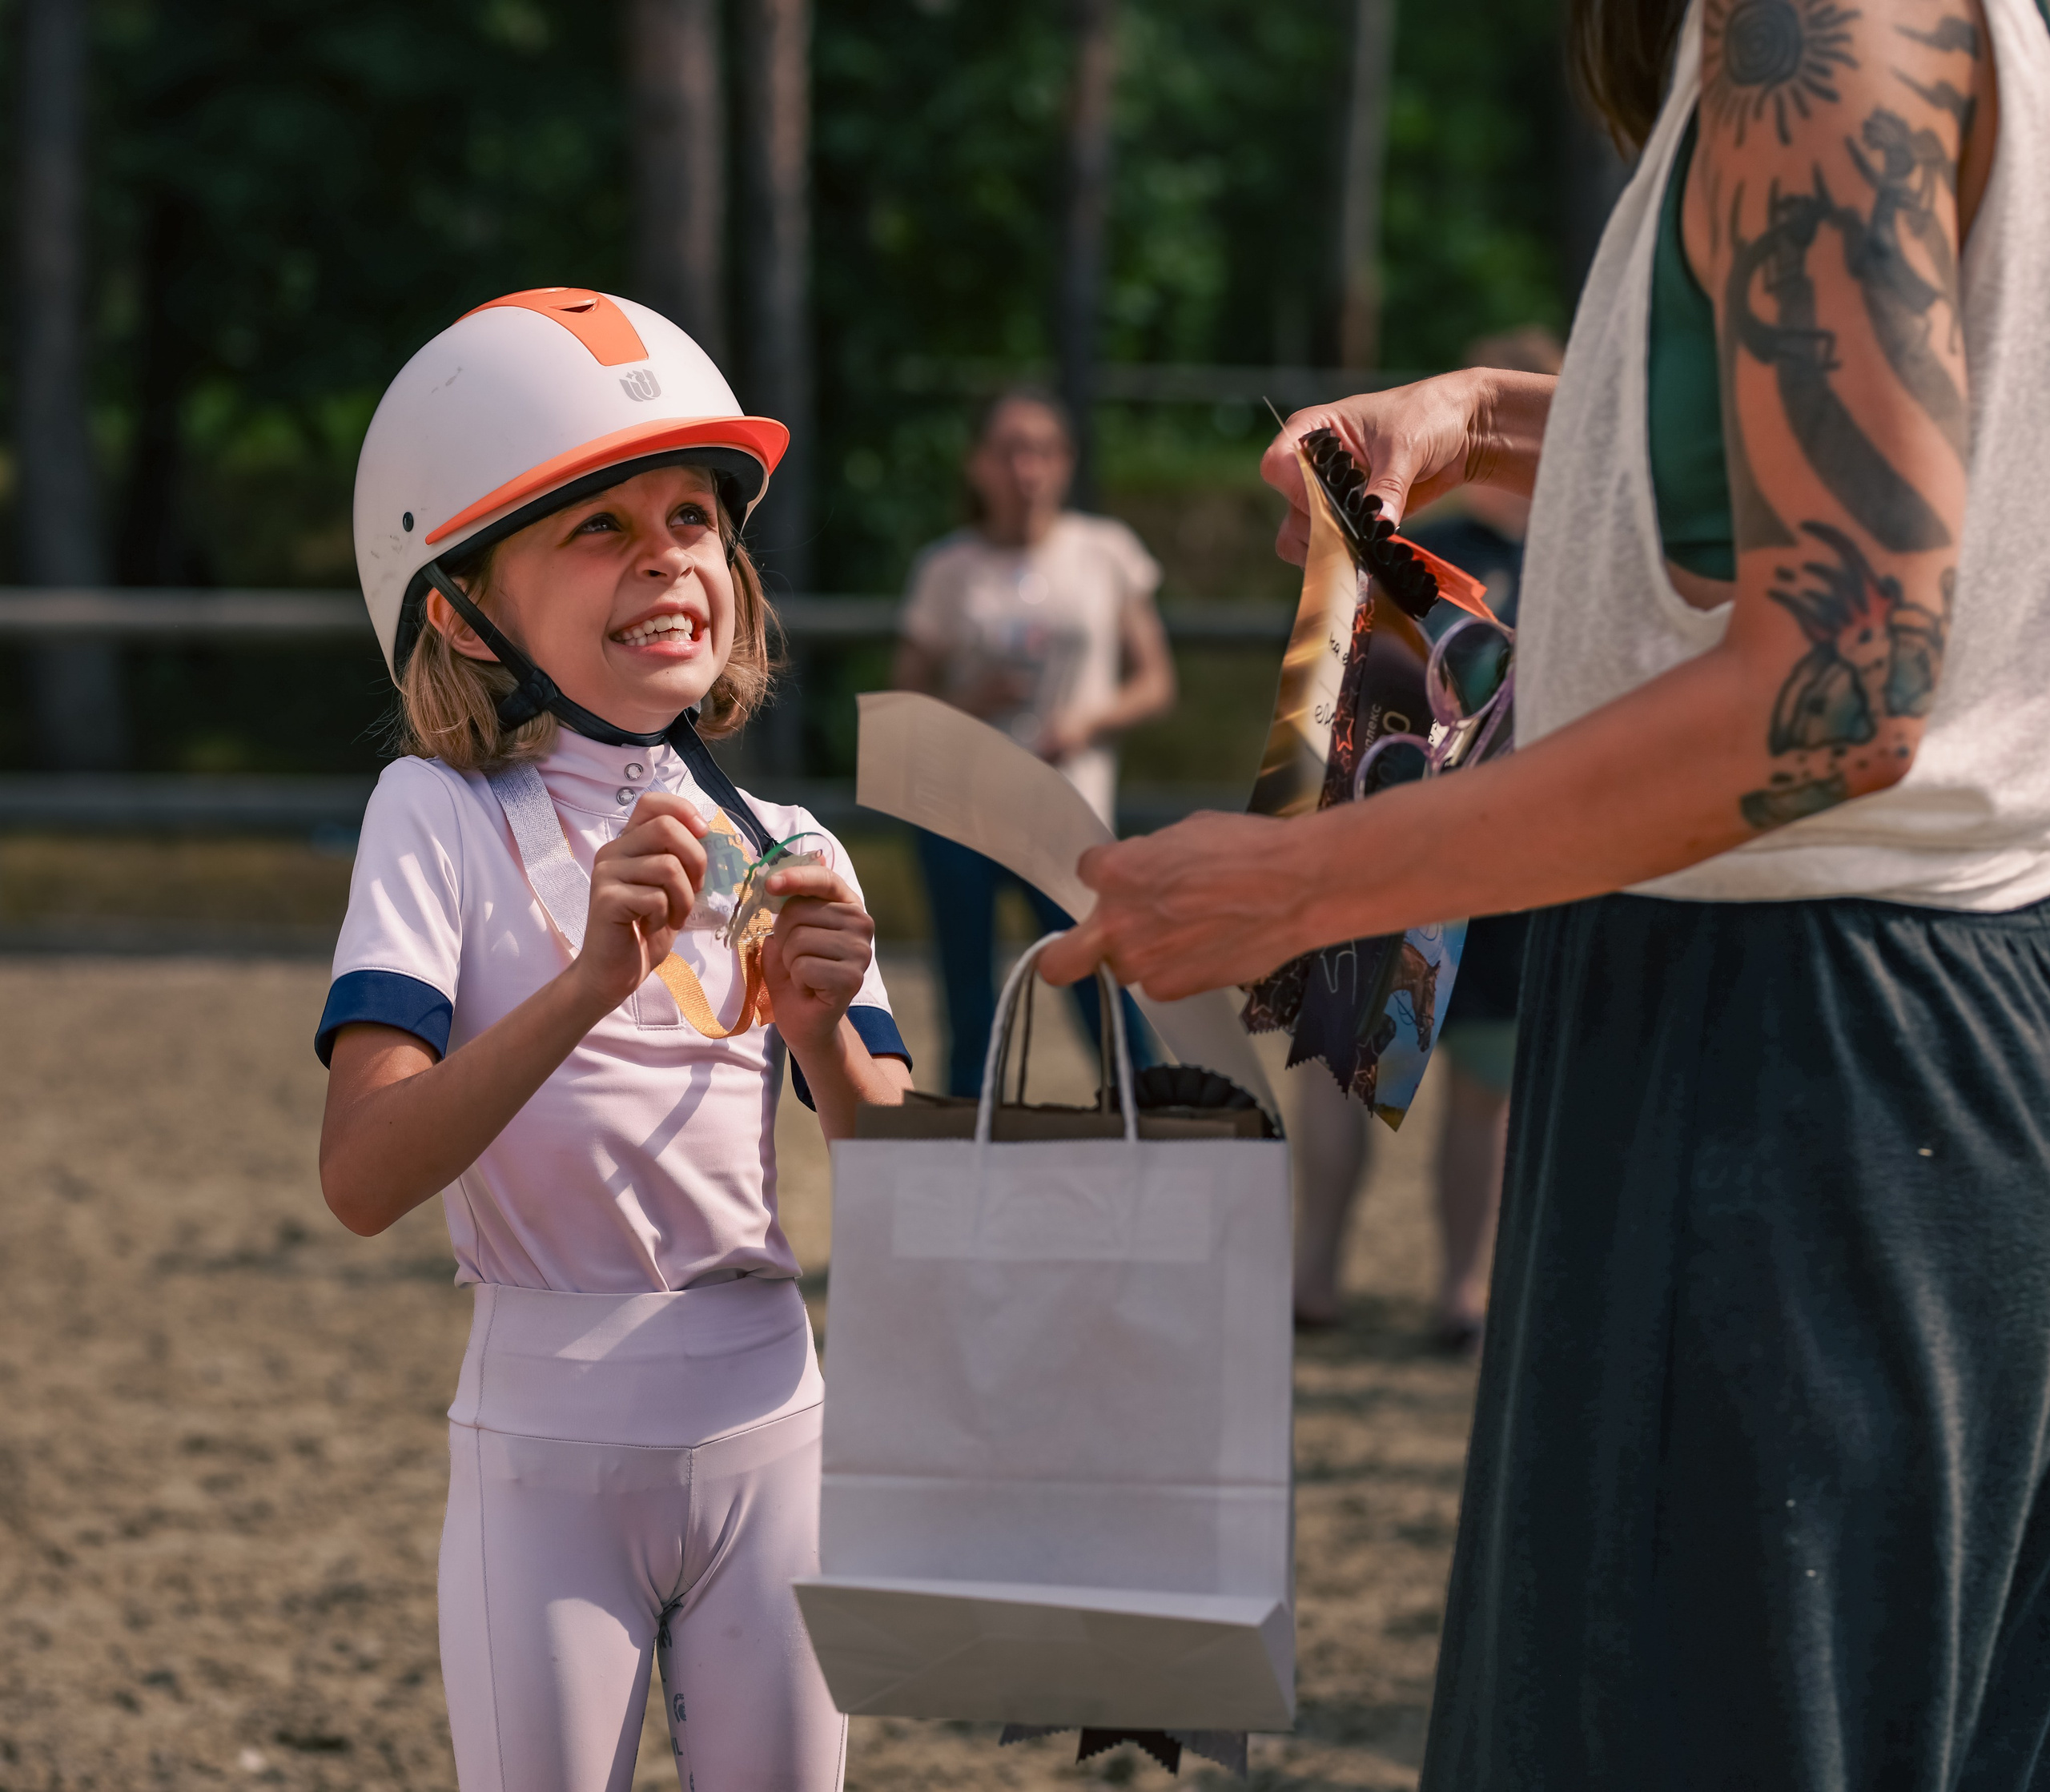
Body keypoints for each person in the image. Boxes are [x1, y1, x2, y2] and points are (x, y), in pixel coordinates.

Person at [1045, 2, 2050, 1782]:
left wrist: (1297, 881)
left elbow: (1836, 689)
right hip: (1875, 1048)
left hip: (1784, 1057)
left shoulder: (1815, 29)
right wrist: (1486, 419)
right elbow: (1844, 436)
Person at [316, 288, 912, 1792]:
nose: (668, 557)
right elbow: (364, 1174)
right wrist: (588, 980)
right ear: (458, 606)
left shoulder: (786, 836)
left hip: (777, 1428)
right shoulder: (438, 815)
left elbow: (911, 1195)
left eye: (697, 516)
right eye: (599, 525)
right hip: (542, 1458)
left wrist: (831, 1034)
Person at [1290, 327, 1562, 1352]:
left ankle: (1462, 1290)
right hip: (1389, 848)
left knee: (1485, 1092)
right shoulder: (1402, 530)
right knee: (1344, 1070)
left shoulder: (1581, 551)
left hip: (1517, 867)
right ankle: (1312, 1269)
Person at [894, 384, 1176, 1095]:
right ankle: (973, 1152)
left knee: (1102, 989)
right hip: (964, 813)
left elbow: (1155, 681)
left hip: (1067, 810)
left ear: (1066, 462)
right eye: (1011, 451)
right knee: (970, 1003)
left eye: (1044, 451)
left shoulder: (1105, 552)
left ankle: (1141, 1132)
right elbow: (904, 703)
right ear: (978, 465)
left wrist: (1087, 721)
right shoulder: (946, 568)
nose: (1029, 469)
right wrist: (968, 701)